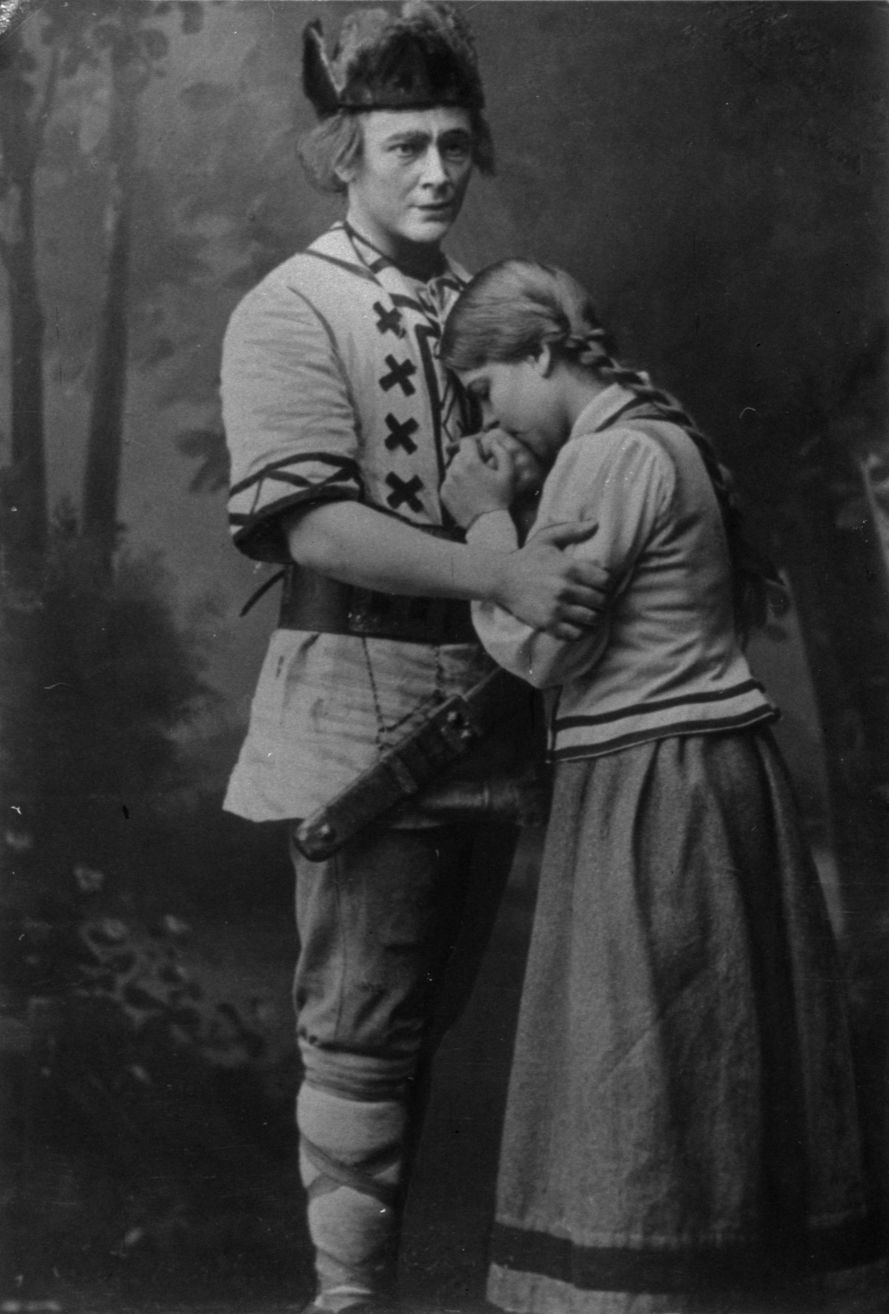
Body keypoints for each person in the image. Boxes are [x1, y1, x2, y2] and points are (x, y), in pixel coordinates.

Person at [220, 10, 608, 1314]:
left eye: (453, 142)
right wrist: (495, 571)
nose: (439, 172)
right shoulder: (291, 307)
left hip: (497, 712)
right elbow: (314, 526)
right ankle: (347, 1302)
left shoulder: (492, 308)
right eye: (404, 146)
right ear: (345, 152)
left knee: (436, 1025)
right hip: (359, 712)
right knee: (359, 1031)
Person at [439, 258, 879, 1314]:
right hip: (690, 771)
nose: (488, 419)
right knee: (697, 1050)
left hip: (658, 784)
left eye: (487, 389)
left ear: (539, 352)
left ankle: (653, 1291)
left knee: (653, 1056)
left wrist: (485, 522)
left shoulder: (611, 458)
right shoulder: (648, 437)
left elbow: (541, 645)